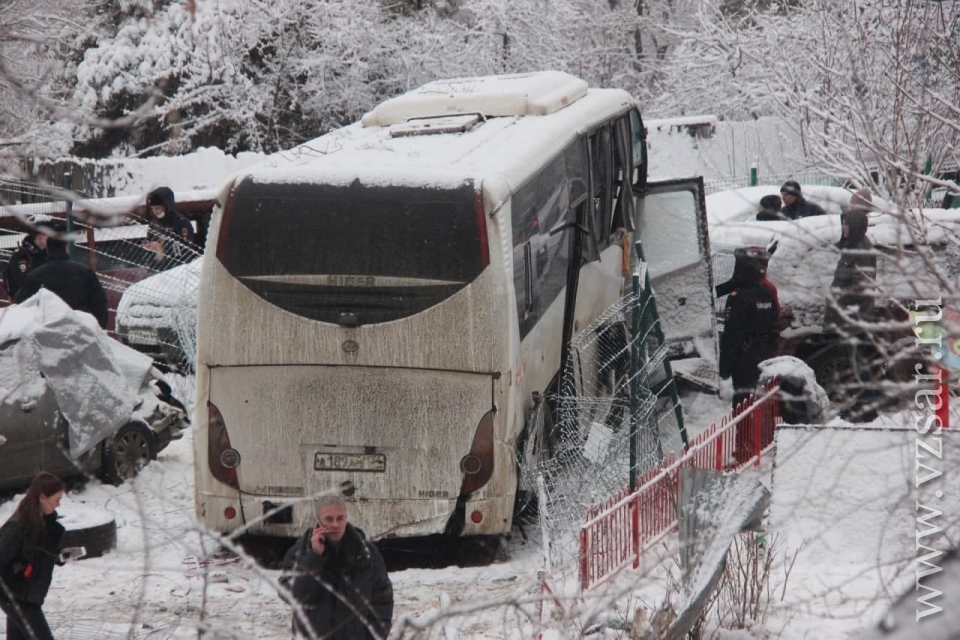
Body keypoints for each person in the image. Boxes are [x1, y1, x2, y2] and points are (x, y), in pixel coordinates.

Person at [280, 495, 393, 639]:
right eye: (329, 519)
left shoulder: (367, 554)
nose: (335, 524)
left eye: (340, 518)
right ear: (317, 522)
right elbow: (292, 595)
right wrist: (314, 557)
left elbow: (383, 599)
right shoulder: (300, 552)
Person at [0, 473, 73, 640]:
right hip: (17, 598)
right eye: (56, 499)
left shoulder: (43, 523)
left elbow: (37, 555)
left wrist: (60, 556)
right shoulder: (17, 528)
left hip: (26, 596)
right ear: (42, 497)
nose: (59, 504)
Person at [717, 246, 781, 409]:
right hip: (766, 356)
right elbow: (775, 322)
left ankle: (744, 434)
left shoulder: (739, 297)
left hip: (744, 360)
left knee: (743, 405)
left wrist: (725, 367)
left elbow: (732, 335)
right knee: (762, 402)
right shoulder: (768, 291)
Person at [14, 220, 109, 329]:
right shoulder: (85, 272)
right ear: (66, 248)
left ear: (47, 250)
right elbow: (99, 302)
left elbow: (20, 306)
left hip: (48, 333)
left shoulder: (34, 276)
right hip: (81, 331)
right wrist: (98, 328)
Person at [143, 187, 198, 270]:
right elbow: (148, 239)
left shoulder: (181, 222)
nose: (155, 211)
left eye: (157, 208)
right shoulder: (154, 223)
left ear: (166, 206)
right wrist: (148, 245)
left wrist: (163, 247)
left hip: (178, 269)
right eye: (152, 209)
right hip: (156, 269)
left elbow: (185, 247)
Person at [2, 216, 52, 301]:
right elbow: (23, 284)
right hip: (27, 305)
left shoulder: (46, 253)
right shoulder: (22, 256)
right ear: (40, 237)